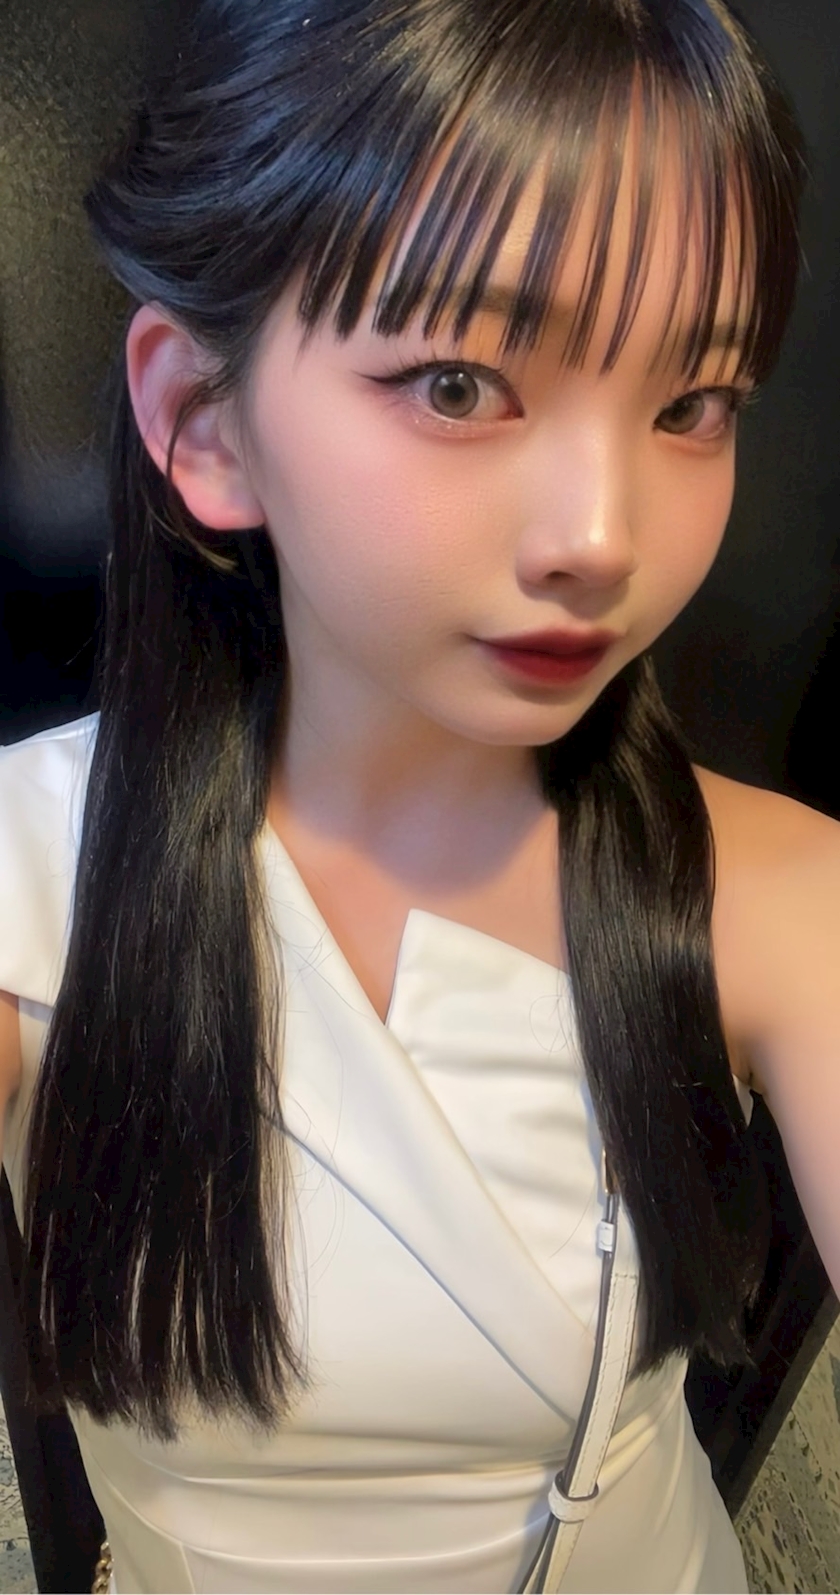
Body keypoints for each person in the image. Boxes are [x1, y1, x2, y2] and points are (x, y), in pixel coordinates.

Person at [1, 0, 838, 1590]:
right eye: (459, 384)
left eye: (692, 406)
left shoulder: (777, 897)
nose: (602, 537)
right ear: (203, 421)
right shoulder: (29, 877)